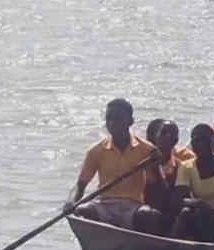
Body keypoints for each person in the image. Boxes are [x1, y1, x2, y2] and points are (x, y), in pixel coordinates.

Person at [66, 98, 155, 229]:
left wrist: (156, 164)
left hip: (133, 205)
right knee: (83, 211)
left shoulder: (147, 149)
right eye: (109, 119)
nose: (113, 123)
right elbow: (80, 185)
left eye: (118, 119)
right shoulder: (96, 150)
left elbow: (156, 183)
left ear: (130, 121)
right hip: (105, 204)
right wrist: (71, 202)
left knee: (146, 215)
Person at [134, 119, 188, 236]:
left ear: (176, 140)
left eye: (172, 134)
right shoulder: (141, 162)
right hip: (138, 209)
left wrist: (157, 170)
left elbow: (171, 200)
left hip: (164, 213)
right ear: (155, 136)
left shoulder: (179, 167)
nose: (167, 137)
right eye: (163, 132)